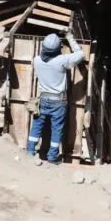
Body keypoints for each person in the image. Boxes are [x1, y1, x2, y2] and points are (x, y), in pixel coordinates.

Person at [27, 32, 85, 164]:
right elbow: (80, 54)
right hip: (58, 101)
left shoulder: (37, 60)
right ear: (57, 49)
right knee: (57, 129)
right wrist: (70, 38)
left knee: (36, 126)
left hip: (42, 100)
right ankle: (52, 157)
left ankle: (30, 152)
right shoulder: (62, 60)